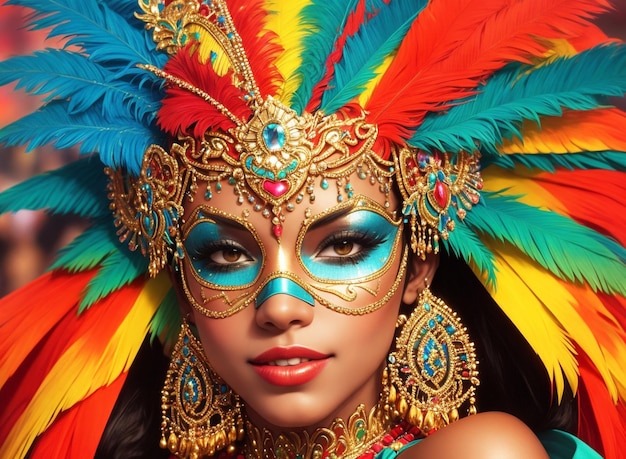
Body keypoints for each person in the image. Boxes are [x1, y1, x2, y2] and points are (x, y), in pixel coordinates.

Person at [0, 0, 624, 458]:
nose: (279, 305)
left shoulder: (480, 452)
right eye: (224, 253)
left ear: (418, 268)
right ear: (182, 284)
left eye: (344, 244)